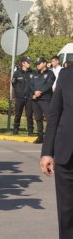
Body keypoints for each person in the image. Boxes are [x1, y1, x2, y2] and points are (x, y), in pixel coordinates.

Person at [40, 65, 73, 239]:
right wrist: (47, 152)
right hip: (67, 153)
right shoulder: (67, 74)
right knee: (66, 211)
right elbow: (55, 114)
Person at [31, 57, 56, 144]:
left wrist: (40, 92)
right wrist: (34, 92)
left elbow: (49, 84)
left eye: (39, 63)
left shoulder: (50, 73)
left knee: (49, 118)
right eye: (37, 64)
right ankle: (40, 137)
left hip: (45, 99)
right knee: (38, 118)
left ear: (44, 63)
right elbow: (30, 85)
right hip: (35, 99)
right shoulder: (35, 73)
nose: (37, 65)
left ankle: (51, 137)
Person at [12, 57, 34, 136]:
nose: (29, 64)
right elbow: (14, 83)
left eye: (29, 62)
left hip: (29, 97)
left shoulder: (32, 73)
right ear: (23, 63)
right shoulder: (17, 73)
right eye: (27, 62)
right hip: (20, 96)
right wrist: (18, 91)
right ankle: (15, 129)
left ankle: (30, 130)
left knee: (29, 115)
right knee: (18, 114)